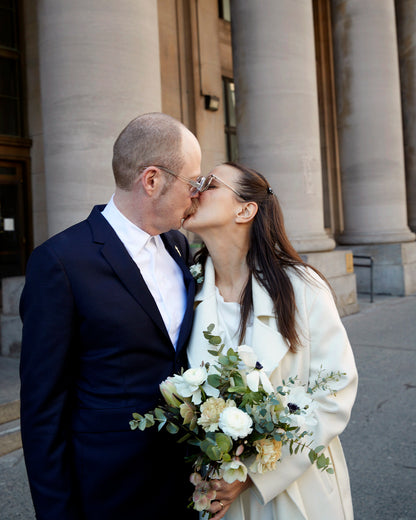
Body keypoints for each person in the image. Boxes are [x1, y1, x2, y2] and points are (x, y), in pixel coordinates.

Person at [19, 112, 203, 520]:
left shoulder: (179, 246)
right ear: (151, 180)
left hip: (186, 486)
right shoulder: (61, 262)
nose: (198, 194)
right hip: (109, 492)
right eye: (194, 182)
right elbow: (41, 409)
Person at [182, 162, 358, 520]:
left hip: (296, 491)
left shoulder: (301, 286)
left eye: (209, 184)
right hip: (218, 496)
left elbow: (334, 394)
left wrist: (250, 475)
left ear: (245, 210)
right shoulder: (186, 289)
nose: (193, 190)